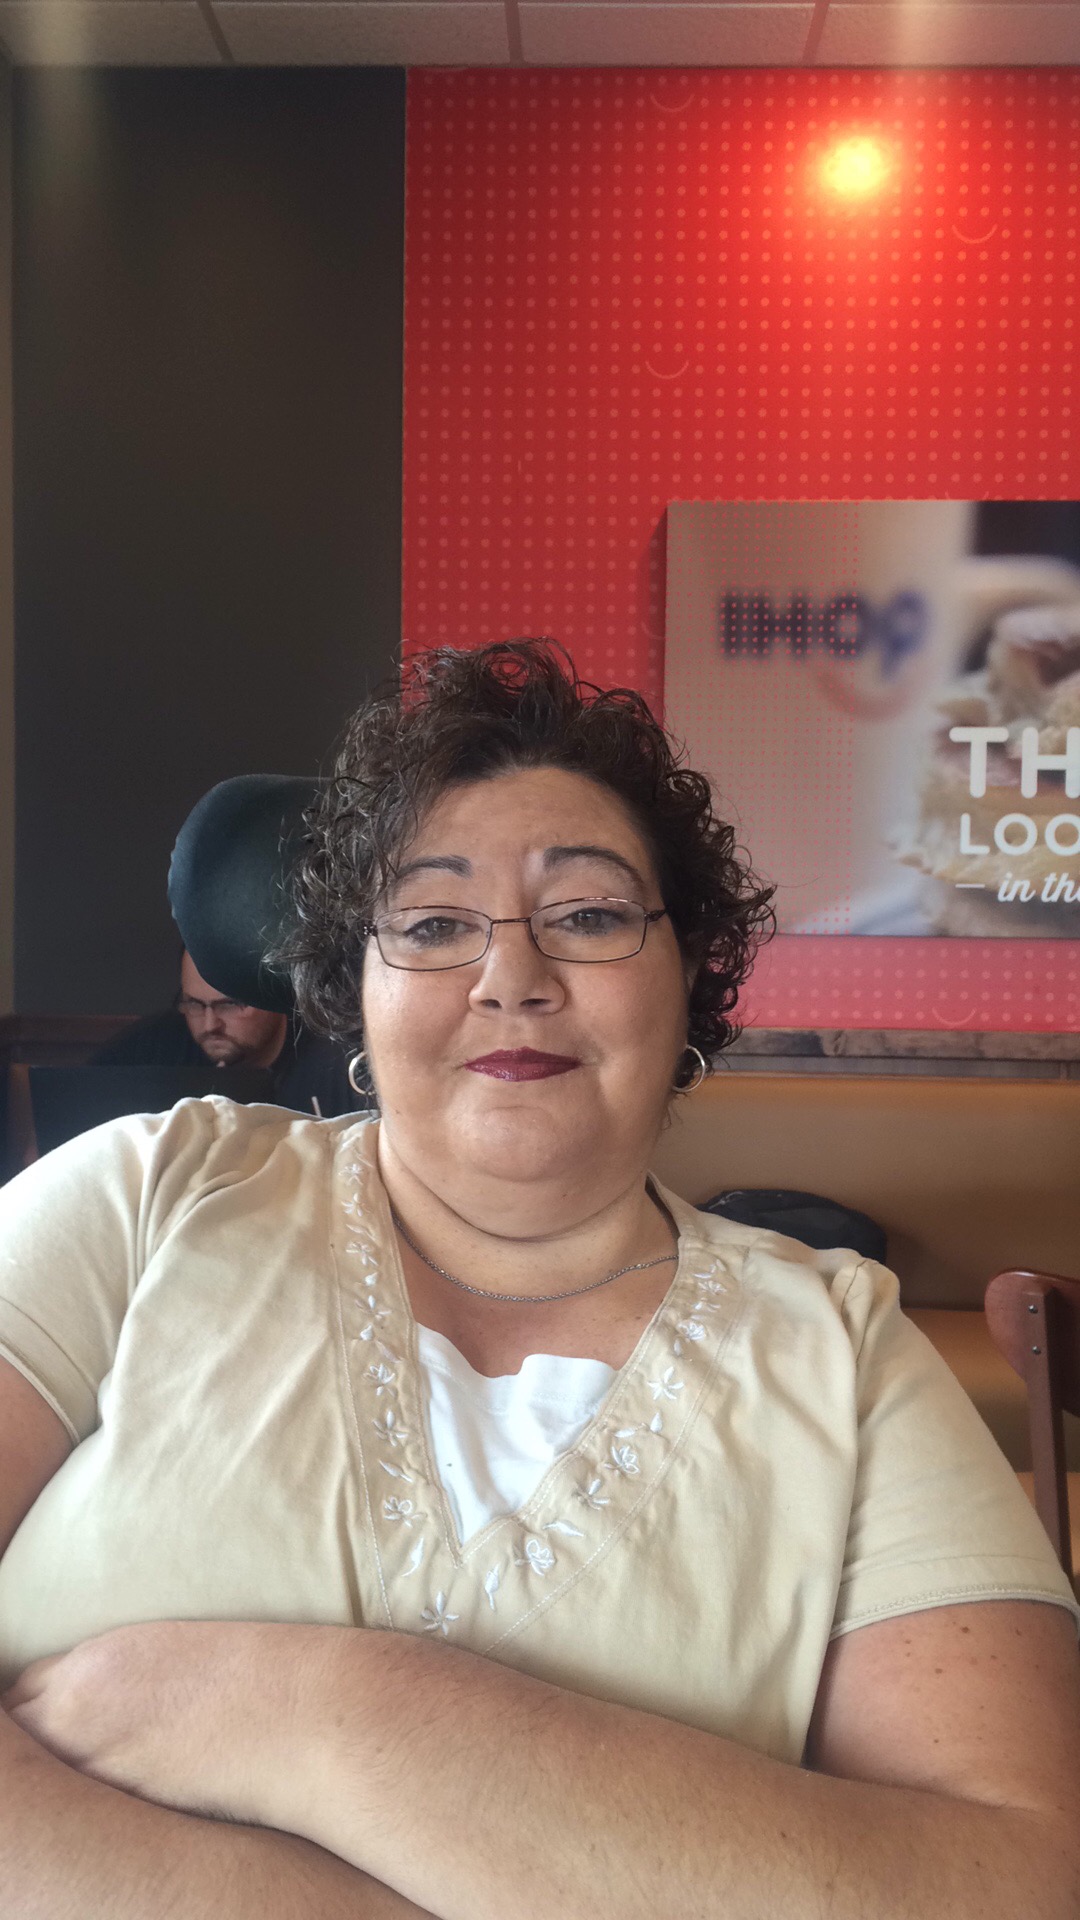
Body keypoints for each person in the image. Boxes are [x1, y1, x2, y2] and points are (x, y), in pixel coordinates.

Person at [0, 639, 1078, 1920]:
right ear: (355, 985)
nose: (511, 978)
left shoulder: (846, 1351)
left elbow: (1014, 1880)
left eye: (589, 916)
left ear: (691, 973)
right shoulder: (144, 1194)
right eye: (433, 923)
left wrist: (322, 1715)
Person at [95, 946, 361, 1117]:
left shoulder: (336, 1060)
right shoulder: (152, 1049)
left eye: (230, 1005)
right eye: (194, 1004)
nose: (210, 1025)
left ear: (274, 995)